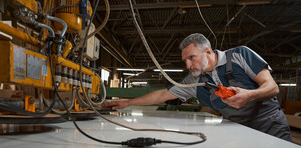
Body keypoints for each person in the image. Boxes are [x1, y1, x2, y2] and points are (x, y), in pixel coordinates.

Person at [106, 33, 291, 141]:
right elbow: (161, 95)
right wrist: (126, 103)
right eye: (185, 60)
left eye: (191, 58)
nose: (187, 65)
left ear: (208, 52)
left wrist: (250, 95)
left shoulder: (239, 55)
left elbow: (272, 87)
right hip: (238, 132)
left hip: (270, 125)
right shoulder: (193, 82)